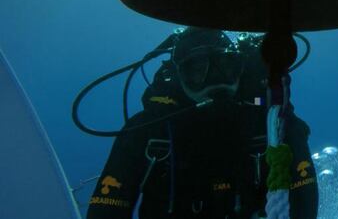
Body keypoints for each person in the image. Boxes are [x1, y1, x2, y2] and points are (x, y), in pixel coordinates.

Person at [85, 27, 318, 219]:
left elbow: (303, 207)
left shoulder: (271, 123)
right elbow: (105, 211)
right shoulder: (149, 131)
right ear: (178, 76)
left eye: (226, 66)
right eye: (198, 70)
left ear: (241, 67)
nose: (215, 81)